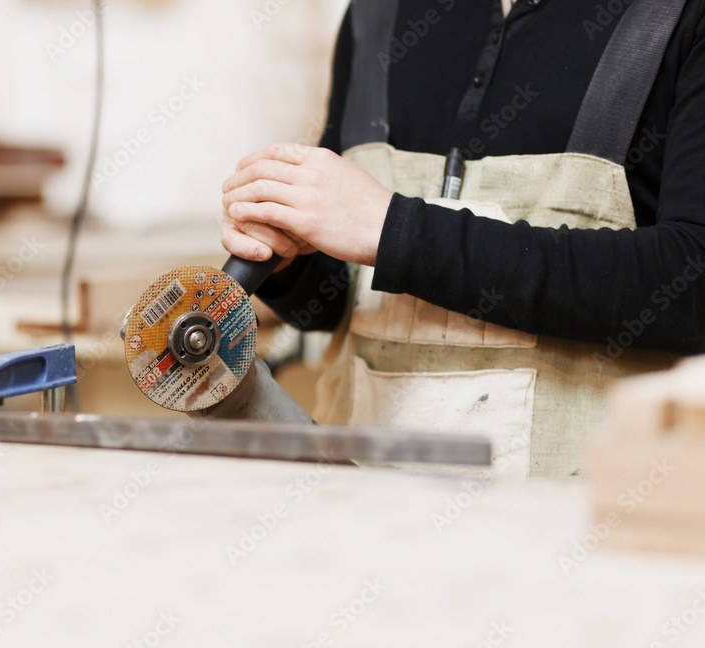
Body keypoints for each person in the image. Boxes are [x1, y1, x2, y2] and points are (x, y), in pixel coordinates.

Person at [219, 0, 705, 478]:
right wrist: (293, 266)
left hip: (577, 522)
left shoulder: (683, 15)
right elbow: (340, 308)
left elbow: (690, 287)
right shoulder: (376, 14)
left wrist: (394, 231)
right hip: (359, 507)